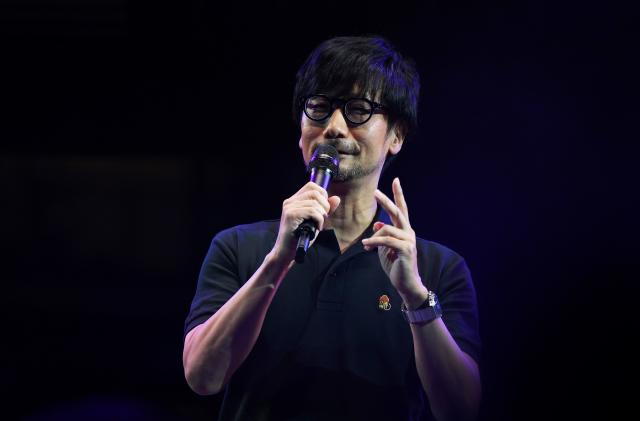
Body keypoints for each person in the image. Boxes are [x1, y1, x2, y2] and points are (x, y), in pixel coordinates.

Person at [183, 36, 482, 421]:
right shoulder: (239, 247)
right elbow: (202, 377)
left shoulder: (437, 267)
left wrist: (415, 296)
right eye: (320, 108)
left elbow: (460, 410)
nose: (335, 127)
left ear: (396, 136)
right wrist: (277, 261)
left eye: (358, 110)